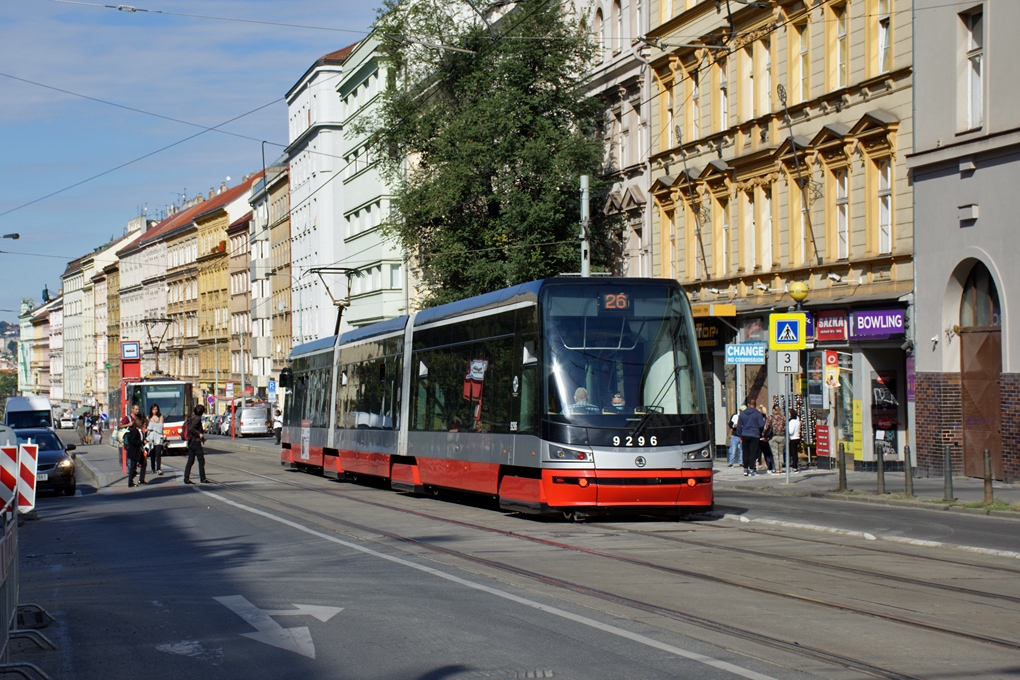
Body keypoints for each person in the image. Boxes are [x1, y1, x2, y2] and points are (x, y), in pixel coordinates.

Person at [735, 398, 766, 477]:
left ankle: (745, 469)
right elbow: (761, 425)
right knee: (753, 452)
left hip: (745, 434)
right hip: (755, 434)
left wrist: (740, 435)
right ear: (755, 405)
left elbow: (739, 426)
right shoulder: (758, 414)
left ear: (748, 405)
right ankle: (752, 469)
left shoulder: (742, 414)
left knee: (745, 452)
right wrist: (759, 432)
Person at [183, 404, 209, 485]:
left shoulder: (192, 417)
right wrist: (199, 434)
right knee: (201, 460)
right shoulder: (197, 419)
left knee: (190, 461)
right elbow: (192, 429)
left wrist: (201, 430)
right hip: (196, 442)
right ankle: (203, 478)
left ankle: (186, 478)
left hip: (191, 442)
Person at [125, 415, 146, 487]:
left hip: (138, 451)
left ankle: (141, 480)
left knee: (143, 463)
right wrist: (142, 442)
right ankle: (130, 482)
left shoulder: (139, 431)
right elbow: (133, 441)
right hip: (134, 452)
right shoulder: (134, 431)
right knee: (133, 466)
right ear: (140, 424)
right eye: (143, 424)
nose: (144, 425)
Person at [145, 404, 165, 476]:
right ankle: (153, 468)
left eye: (156, 409)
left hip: (158, 437)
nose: (155, 411)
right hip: (151, 437)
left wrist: (152, 427)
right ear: (151, 410)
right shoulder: (148, 417)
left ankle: (158, 468)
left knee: (158, 453)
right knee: (152, 453)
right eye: (153, 409)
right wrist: (154, 427)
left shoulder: (160, 417)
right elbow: (147, 428)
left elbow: (160, 427)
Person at [767, 405, 786, 474]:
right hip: (782, 436)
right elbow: (786, 426)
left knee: (775, 453)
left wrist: (763, 434)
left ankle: (777, 468)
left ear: (773, 410)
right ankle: (780, 467)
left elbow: (767, 426)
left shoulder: (771, 417)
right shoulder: (783, 417)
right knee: (781, 453)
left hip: (774, 436)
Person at [787, 409, 801, 473]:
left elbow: (791, 431)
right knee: (795, 453)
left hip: (793, 438)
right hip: (797, 437)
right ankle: (795, 466)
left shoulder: (791, 422)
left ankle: (794, 467)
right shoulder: (798, 421)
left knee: (793, 453)